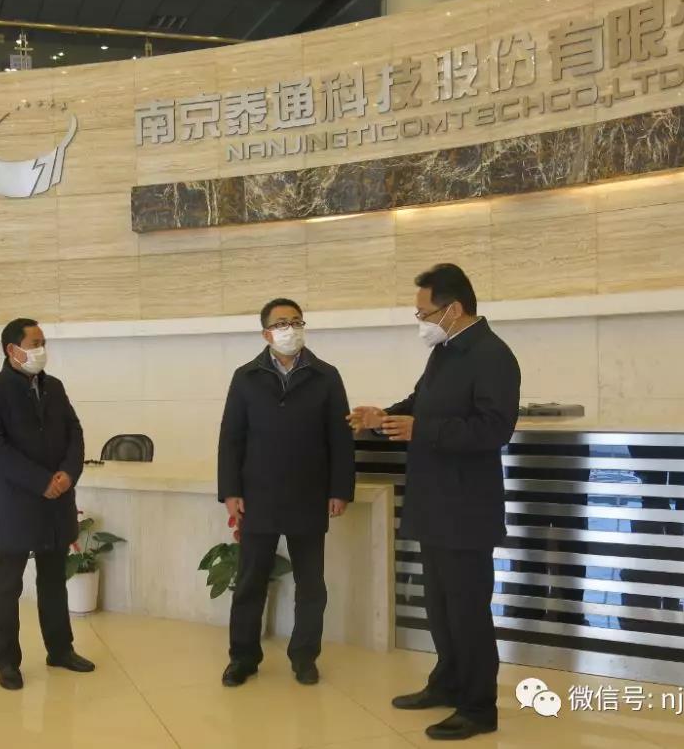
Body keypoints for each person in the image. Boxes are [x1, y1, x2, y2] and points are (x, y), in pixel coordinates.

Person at [348, 264, 520, 741]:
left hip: (466, 508)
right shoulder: (444, 353)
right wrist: (382, 417)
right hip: (433, 502)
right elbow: (418, 405)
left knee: (467, 611)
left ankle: (479, 708)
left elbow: (494, 429)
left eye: (425, 313)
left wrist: (422, 429)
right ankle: (446, 683)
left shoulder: (492, 355)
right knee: (440, 607)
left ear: (454, 309)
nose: (421, 321)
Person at [217, 298, 355, 687]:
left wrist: (340, 489)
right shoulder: (246, 377)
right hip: (258, 496)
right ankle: (242, 658)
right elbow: (231, 438)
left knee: (311, 586)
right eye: (281, 323)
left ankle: (304, 657)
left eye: (296, 321)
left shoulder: (326, 376)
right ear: (266, 333)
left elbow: (340, 438)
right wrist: (230, 491)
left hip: (309, 495)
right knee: (250, 583)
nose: (290, 329)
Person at [0, 318, 94, 691]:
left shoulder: (54, 386)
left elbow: (75, 432)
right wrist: (42, 482)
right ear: (12, 350)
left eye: (43, 343)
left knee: (54, 580)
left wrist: (68, 474)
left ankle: (60, 650)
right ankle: (7, 662)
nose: (42, 350)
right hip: (17, 505)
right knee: (7, 586)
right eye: (35, 343)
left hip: (57, 504)